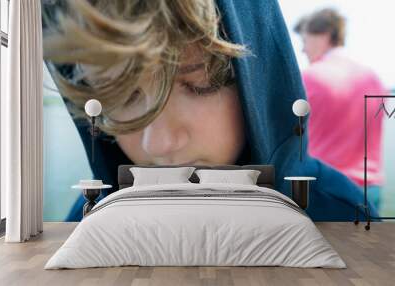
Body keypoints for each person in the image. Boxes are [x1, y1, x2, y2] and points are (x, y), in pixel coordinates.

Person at [42, 0, 378, 222]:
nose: (156, 144)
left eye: (201, 85)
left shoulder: (339, 216)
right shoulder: (90, 217)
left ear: (261, 79)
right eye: (120, 96)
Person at [294, 8, 387, 210]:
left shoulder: (309, 78)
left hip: (328, 190)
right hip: (370, 189)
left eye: (305, 40)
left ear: (323, 35)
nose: (303, 49)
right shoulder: (373, 78)